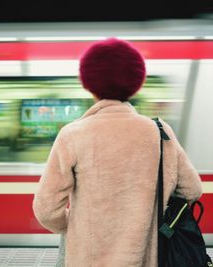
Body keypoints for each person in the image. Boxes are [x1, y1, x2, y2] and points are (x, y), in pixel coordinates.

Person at [33, 38, 203, 266]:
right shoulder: (160, 132)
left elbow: (46, 210)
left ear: (90, 84)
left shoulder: (72, 135)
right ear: (135, 82)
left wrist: (74, 226)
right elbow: (192, 189)